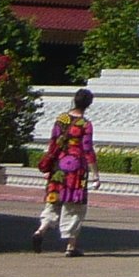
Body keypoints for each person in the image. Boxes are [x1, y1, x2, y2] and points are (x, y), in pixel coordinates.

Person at [35, 87, 98, 256]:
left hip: (58, 168)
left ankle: (41, 229)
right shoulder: (85, 124)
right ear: (88, 104)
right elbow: (87, 149)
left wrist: (50, 164)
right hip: (77, 170)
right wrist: (95, 174)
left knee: (53, 202)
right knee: (75, 207)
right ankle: (71, 247)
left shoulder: (61, 119)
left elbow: (53, 143)